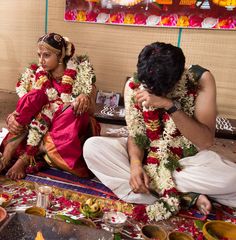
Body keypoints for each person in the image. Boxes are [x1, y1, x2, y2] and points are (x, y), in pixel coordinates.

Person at [83, 42, 236, 221]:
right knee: (92, 147)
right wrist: (135, 165)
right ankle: (186, 196)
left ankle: (161, 192)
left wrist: (169, 106)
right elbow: (136, 134)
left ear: (178, 78)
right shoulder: (135, 85)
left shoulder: (200, 79)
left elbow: (205, 141)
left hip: (187, 161)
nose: (148, 90)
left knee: (231, 179)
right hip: (148, 155)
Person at [0, 32, 100, 180]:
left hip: (68, 125)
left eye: (46, 55)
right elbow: (26, 106)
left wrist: (84, 98)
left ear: (60, 56)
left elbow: (92, 110)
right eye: (39, 55)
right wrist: (13, 117)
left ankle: (26, 157)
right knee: (35, 96)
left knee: (71, 110)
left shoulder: (81, 73)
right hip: (40, 124)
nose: (41, 61)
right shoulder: (37, 74)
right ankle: (7, 154)